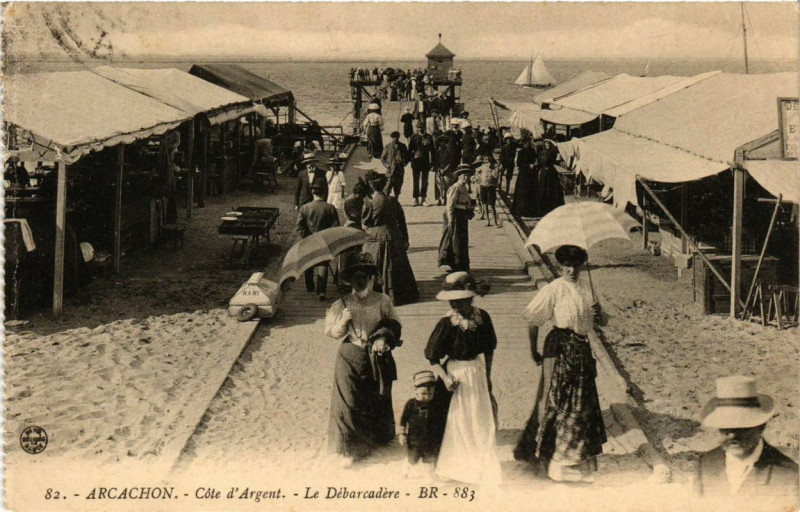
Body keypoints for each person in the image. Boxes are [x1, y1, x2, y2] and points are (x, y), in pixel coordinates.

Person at [514, 245, 608, 483]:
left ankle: (577, 460)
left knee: (582, 402)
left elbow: (602, 323)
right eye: (567, 266)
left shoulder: (587, 290)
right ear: (559, 266)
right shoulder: (554, 289)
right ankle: (551, 459)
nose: (572, 270)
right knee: (555, 400)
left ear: (581, 266)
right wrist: (532, 349)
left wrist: (599, 313)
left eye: (576, 265)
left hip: (582, 350)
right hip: (559, 348)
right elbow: (533, 319)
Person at [325, 252, 402, 467]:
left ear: (372, 279)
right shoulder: (342, 303)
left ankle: (374, 440)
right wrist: (342, 321)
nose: (361, 281)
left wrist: (384, 337)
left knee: (374, 397)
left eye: (365, 277)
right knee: (348, 401)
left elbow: (395, 323)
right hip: (349, 355)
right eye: (356, 277)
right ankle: (347, 449)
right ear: (350, 279)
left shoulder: (382, 300)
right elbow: (332, 333)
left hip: (375, 356)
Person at [424, 272, 501, 485]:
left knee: (478, 419)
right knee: (455, 421)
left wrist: (487, 375)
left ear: (470, 298)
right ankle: (454, 467)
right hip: (454, 375)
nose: (455, 305)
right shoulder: (447, 323)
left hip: (475, 373)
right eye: (452, 301)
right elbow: (432, 357)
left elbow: (489, 350)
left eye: (459, 301)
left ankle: (479, 466)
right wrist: (446, 379)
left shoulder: (482, 318)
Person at [692, 376, 798, 498]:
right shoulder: (705, 465)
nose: (732, 435)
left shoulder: (788, 476)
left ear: (761, 427)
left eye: (741, 428)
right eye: (725, 428)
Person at [362, 171, 419, 306]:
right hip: (394, 235)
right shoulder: (393, 200)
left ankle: (375, 293)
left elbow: (365, 222)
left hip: (376, 236)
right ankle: (399, 294)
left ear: (371, 186)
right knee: (396, 265)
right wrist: (405, 238)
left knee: (376, 264)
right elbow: (402, 221)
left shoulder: (370, 203)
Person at [296, 183, 341, 301]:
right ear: (324, 194)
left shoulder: (305, 208)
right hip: (324, 241)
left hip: (309, 240)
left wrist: (308, 236)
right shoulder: (330, 207)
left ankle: (310, 286)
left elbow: (299, 227)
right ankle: (321, 291)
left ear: (313, 193)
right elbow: (336, 226)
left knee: (308, 262)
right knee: (323, 264)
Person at [398, 370, 445, 477]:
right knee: (413, 458)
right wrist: (402, 434)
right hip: (414, 439)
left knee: (429, 459)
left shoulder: (435, 404)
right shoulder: (411, 404)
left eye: (430, 393)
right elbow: (403, 419)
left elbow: (440, 419)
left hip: (431, 439)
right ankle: (407, 465)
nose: (427, 397)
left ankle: (429, 476)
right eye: (423, 394)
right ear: (416, 391)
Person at [438, 164, 474, 272]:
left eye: (467, 176)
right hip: (455, 215)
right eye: (463, 175)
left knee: (462, 240)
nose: (466, 178)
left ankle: (462, 264)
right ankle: (455, 264)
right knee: (455, 240)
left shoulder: (464, 187)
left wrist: (469, 210)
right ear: (458, 176)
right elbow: (450, 205)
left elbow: (466, 202)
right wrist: (451, 220)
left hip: (462, 216)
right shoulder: (455, 188)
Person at [536, 140, 566, 217]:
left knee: (551, 188)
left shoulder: (552, 152)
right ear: (544, 144)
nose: (547, 145)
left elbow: (556, 148)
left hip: (550, 172)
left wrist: (553, 142)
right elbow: (540, 162)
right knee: (543, 188)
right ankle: (543, 208)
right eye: (546, 144)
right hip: (543, 172)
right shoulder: (541, 152)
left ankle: (552, 207)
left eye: (548, 144)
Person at [511, 137, 539, 218]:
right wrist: (528, 165)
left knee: (531, 191)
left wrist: (535, 164)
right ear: (523, 143)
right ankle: (522, 211)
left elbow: (535, 159)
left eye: (528, 142)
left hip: (532, 174)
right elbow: (519, 164)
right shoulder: (521, 152)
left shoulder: (533, 151)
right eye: (526, 142)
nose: (527, 144)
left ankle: (531, 211)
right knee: (523, 192)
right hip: (524, 174)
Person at [408, 123, 435, 207]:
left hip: (426, 162)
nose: (420, 129)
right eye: (418, 128)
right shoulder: (414, 137)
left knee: (425, 181)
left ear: (424, 128)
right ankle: (415, 198)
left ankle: (423, 198)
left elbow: (432, 151)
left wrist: (432, 162)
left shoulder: (429, 137)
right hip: (416, 162)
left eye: (421, 128)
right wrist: (412, 160)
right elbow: (410, 150)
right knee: (416, 181)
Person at [380, 131, 409, 197]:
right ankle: (387, 201)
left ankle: (396, 201)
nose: (395, 139)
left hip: (399, 170)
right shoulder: (388, 146)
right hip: (390, 171)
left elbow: (407, 157)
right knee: (387, 187)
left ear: (399, 137)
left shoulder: (403, 146)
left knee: (398, 187)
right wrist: (387, 165)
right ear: (392, 138)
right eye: (394, 137)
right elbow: (382, 158)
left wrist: (404, 163)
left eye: (397, 137)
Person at [477, 156, 500, 227]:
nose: (487, 161)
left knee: (492, 205)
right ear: (484, 160)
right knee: (484, 204)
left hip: (491, 187)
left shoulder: (494, 167)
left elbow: (496, 176)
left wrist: (492, 169)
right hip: (483, 186)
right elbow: (477, 173)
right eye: (485, 160)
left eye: (488, 160)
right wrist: (478, 177)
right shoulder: (482, 166)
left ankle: (495, 222)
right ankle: (487, 221)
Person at [326, 153, 348, 225]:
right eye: (332, 166)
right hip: (330, 193)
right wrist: (332, 173)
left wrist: (342, 194)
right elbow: (328, 182)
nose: (333, 167)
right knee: (329, 208)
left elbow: (343, 184)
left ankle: (336, 222)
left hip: (337, 193)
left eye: (335, 165)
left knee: (336, 208)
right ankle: (330, 221)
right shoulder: (328, 173)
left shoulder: (340, 173)